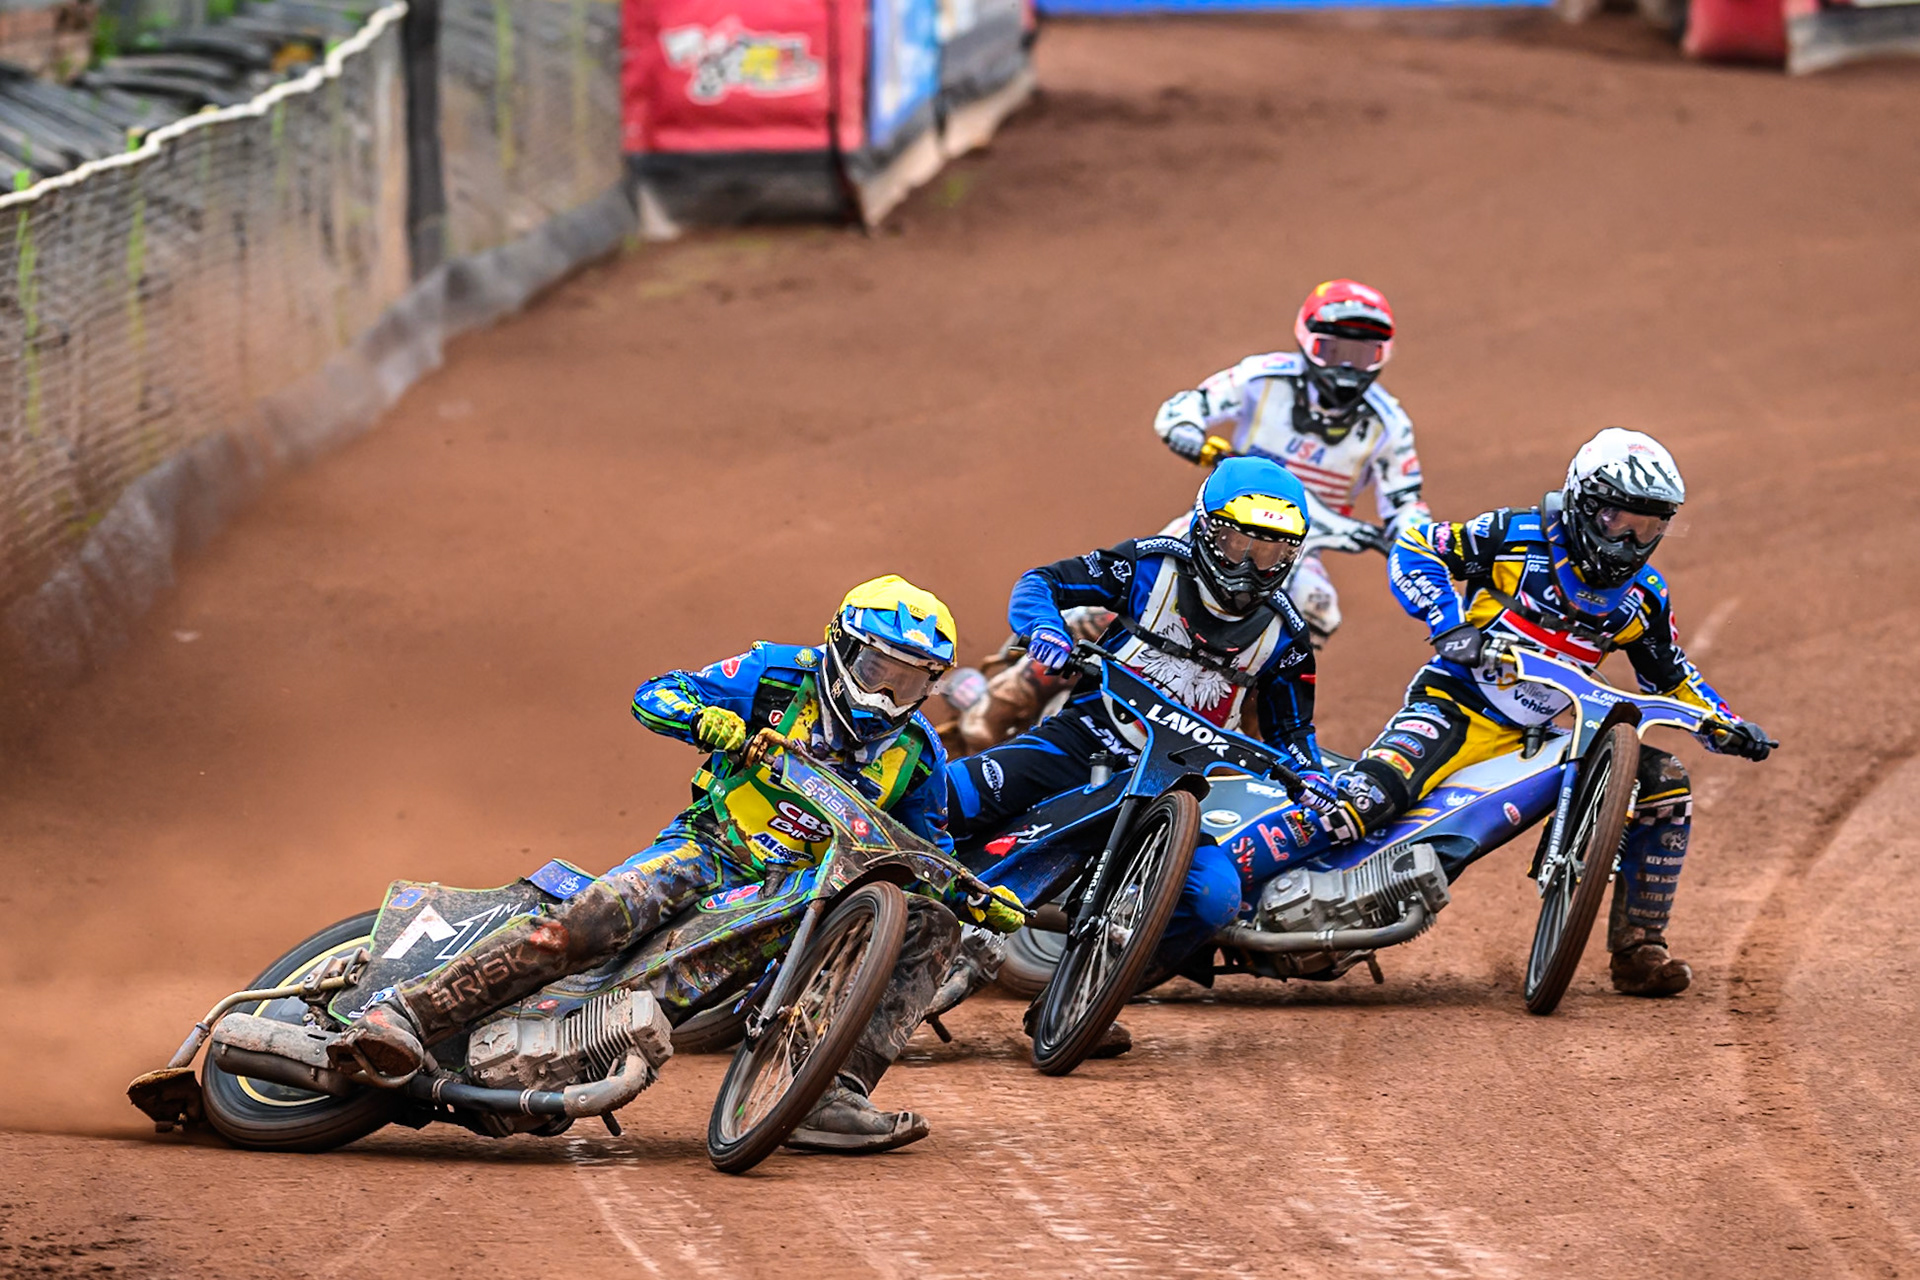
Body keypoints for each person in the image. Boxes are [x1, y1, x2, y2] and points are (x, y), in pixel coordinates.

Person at [330, 576, 1022, 1153]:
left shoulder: (920, 754)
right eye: (877, 671)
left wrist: (975, 895)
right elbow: (657, 692)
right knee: (582, 926)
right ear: (841, 648)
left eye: (910, 681)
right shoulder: (778, 673)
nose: (886, 695)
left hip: (789, 900)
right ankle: (407, 1017)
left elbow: (926, 846)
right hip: (706, 849)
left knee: (928, 922)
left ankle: (829, 1092)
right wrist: (704, 719)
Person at [1301, 428, 1774, 995]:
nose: (1629, 542)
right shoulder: (1516, 535)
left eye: (1647, 528)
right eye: (1619, 521)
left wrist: (1726, 726)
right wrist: (1449, 626)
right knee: (1372, 799)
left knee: (1664, 781)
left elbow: (1670, 676)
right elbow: (1418, 547)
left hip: (1546, 739)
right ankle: (1257, 885)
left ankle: (1640, 948)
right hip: (1456, 703)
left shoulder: (1644, 595)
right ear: (1584, 503)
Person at [941, 457, 1336, 1033]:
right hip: (1086, 740)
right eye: (1238, 544)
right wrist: (1046, 630)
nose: (1252, 568)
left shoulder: (1288, 637)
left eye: (1273, 553)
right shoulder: (1150, 567)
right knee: (948, 796)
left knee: (1215, 898)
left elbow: (1291, 732)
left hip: (1173, 783)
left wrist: (1311, 774)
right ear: (1204, 530)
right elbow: (1041, 582)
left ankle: (1084, 997)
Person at [1152, 278, 1431, 644]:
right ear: (1306, 340)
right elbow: (1189, 405)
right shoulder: (1262, 377)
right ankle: (1059, 662)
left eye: (1362, 355)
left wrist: (1420, 539)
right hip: (1218, 525)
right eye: (1332, 351)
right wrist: (1185, 432)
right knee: (1150, 572)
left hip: (1296, 548)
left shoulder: (1388, 425)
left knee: (1318, 610)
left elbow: (1406, 504)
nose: (1346, 367)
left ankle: (1257, 687)